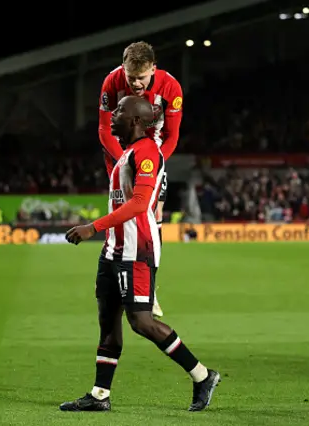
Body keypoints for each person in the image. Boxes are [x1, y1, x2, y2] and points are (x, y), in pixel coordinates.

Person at [61, 96, 220, 413]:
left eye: (120, 111)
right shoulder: (128, 154)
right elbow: (105, 134)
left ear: (135, 120)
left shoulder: (147, 152)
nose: (114, 115)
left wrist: (93, 227)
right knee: (108, 322)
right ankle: (99, 395)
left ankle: (202, 376)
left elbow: (138, 204)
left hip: (137, 250)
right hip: (113, 250)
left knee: (142, 322)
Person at [98, 41, 183, 318]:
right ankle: (115, 274)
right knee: (123, 215)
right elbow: (104, 129)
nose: (135, 84)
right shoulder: (111, 82)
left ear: (153, 70)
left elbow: (172, 135)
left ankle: (150, 287)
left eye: (141, 78)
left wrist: (154, 162)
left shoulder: (171, 88)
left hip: (153, 153)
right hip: (118, 154)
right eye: (130, 77)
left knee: (151, 211)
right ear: (123, 69)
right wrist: (125, 160)